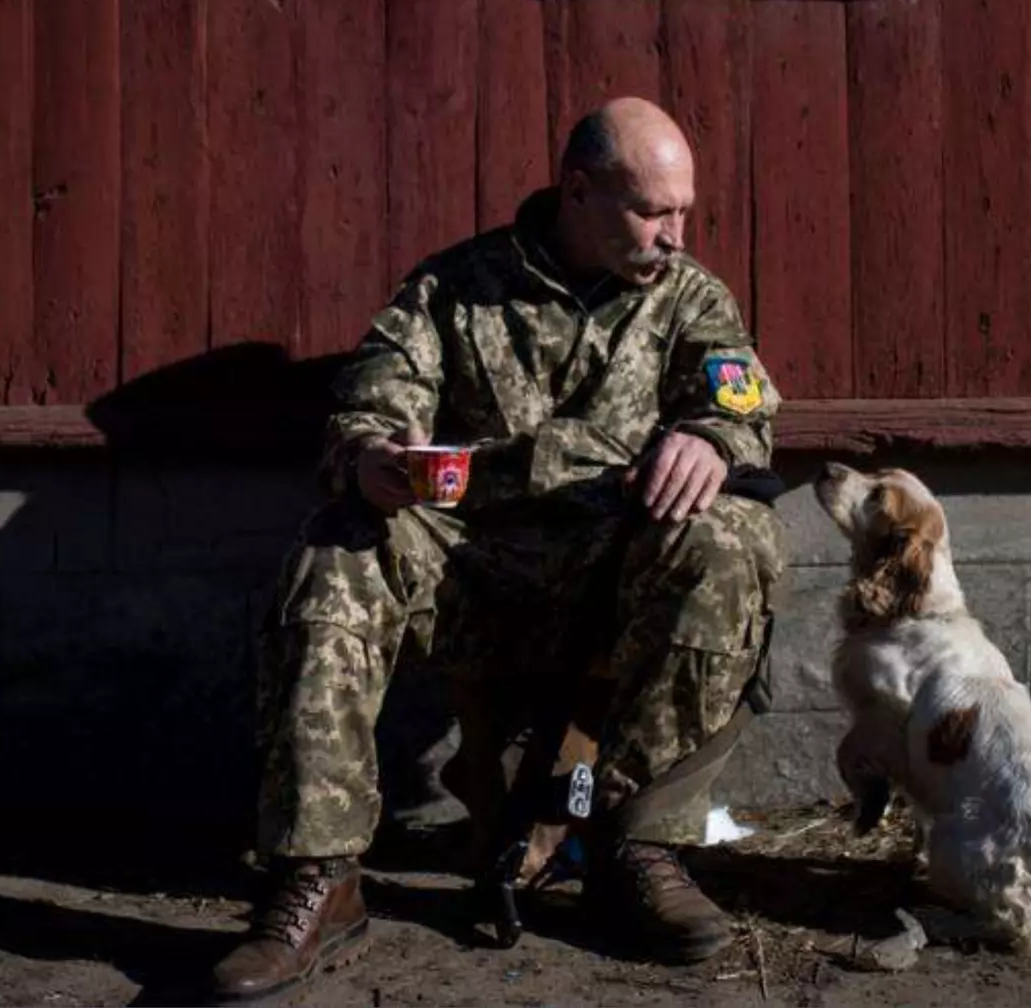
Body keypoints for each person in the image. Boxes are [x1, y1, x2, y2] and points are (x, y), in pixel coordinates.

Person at [210, 97, 786, 1003]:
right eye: (653, 212)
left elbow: (744, 404)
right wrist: (373, 463)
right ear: (580, 192)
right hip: (471, 569)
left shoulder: (689, 298)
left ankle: (638, 848)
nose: (676, 234)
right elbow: (368, 407)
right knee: (335, 553)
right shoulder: (454, 288)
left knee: (736, 541)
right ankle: (319, 878)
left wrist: (711, 439)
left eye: (685, 212)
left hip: (612, 573)